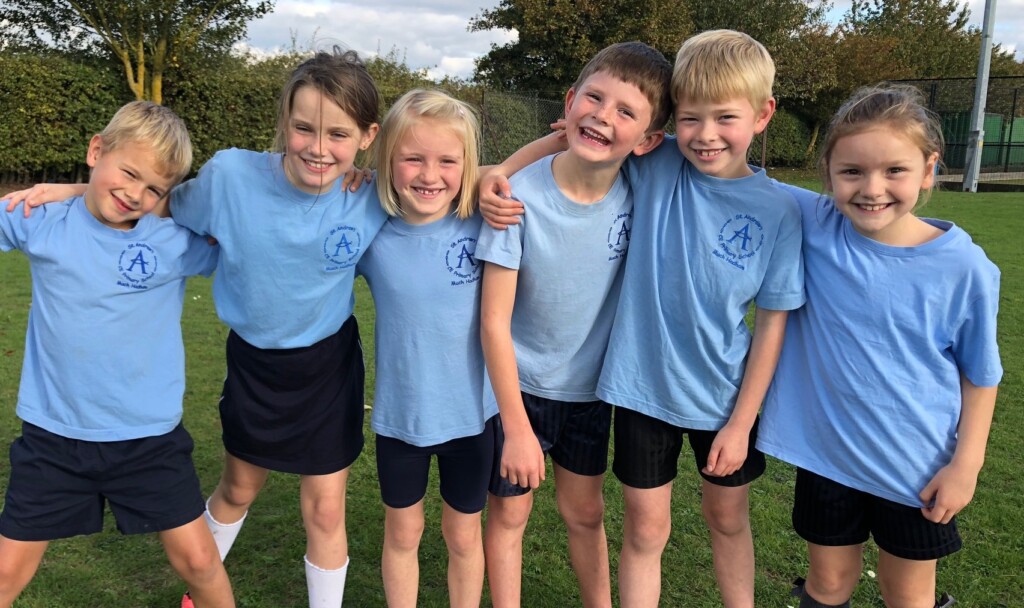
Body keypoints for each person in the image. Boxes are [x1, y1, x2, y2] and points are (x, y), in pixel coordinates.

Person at [4, 47, 387, 608]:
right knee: (238, 489)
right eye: (304, 128)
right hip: (253, 364)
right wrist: (73, 193)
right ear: (284, 120)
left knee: (327, 510)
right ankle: (197, 594)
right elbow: (158, 200)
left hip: (328, 365)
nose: (318, 147)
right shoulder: (230, 176)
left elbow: (455, 180)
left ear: (367, 136)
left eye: (338, 135)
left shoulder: (375, 192)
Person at [480, 30, 805, 608]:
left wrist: (741, 423)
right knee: (645, 530)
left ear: (763, 115)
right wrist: (499, 172)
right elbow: (574, 135)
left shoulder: (783, 208)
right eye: (691, 118)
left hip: (724, 400)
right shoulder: (658, 164)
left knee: (728, 519)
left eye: (725, 118)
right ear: (669, 129)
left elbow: (774, 325)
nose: (705, 135)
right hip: (638, 394)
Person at [757, 84, 1001, 608]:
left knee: (907, 594)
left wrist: (966, 467)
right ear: (827, 174)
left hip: (916, 469)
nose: (872, 189)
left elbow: (981, 376)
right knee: (827, 584)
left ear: (929, 169)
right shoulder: (816, 222)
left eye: (895, 170)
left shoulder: (966, 269)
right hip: (826, 457)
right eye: (852, 171)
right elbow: (729, 171)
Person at [0, 102, 232, 607]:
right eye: (128, 173)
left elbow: (242, 231)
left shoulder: (172, 241)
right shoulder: (41, 220)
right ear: (95, 150)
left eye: (154, 190)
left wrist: (77, 187)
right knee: (5, 572)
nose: (135, 194)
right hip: (53, 438)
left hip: (148, 440)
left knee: (199, 562)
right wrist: (71, 194)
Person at [475, 41, 672, 608]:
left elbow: (715, 159)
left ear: (647, 141)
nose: (604, 116)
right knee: (509, 515)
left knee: (584, 513)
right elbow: (493, 321)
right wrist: (516, 427)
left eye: (626, 112)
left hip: (590, 393)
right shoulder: (516, 199)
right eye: (594, 98)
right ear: (569, 102)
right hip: (518, 390)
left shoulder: (640, 191)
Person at [356, 89, 497, 607]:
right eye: (412, 158)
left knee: (464, 536)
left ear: (467, 166)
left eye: (447, 161)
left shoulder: (484, 220)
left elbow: (536, 171)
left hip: (472, 418)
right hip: (401, 420)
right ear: (387, 160)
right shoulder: (370, 231)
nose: (429, 175)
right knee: (402, 534)